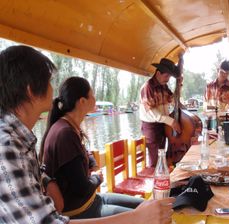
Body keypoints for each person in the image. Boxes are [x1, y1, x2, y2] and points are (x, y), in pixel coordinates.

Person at [0, 45, 174, 223]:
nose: (53, 89)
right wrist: (136, 218)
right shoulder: (9, 148)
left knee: (152, 206)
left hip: (92, 200)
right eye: (49, 82)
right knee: (147, 216)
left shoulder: (23, 139)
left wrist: (46, 179)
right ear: (31, 91)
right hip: (80, 209)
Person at [39, 76, 145, 219]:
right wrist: (97, 178)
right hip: (80, 211)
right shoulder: (65, 133)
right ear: (82, 101)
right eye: (92, 95)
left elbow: (82, 152)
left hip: (94, 200)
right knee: (142, 217)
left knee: (145, 205)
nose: (95, 99)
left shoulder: (69, 126)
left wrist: (93, 164)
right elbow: (82, 189)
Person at [139, 58, 181, 167]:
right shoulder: (148, 87)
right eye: (166, 76)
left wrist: (179, 86)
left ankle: (161, 177)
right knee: (155, 159)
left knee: (162, 155)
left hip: (163, 124)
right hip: (151, 127)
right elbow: (152, 111)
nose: (167, 79)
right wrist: (171, 121)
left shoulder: (164, 86)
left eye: (169, 77)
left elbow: (172, 99)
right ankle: (154, 180)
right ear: (158, 73)